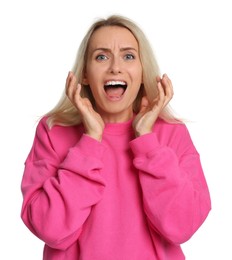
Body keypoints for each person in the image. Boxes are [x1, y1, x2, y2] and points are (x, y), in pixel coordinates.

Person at [20, 14, 211, 260]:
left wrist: (147, 142)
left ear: (142, 72)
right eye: (101, 56)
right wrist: (90, 141)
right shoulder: (53, 130)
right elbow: (50, 229)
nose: (115, 67)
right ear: (85, 74)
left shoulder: (170, 132)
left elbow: (182, 227)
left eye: (128, 56)